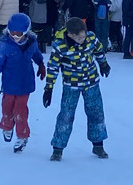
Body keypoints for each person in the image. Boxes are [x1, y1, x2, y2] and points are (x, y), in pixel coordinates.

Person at [43, 17, 111, 161]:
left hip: (91, 82)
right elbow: (53, 67)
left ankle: (98, 145)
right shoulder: (60, 46)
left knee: (96, 113)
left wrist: (103, 64)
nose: (83, 39)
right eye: (79, 37)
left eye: (84, 35)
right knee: (66, 116)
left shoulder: (91, 38)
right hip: (71, 86)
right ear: (70, 35)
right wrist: (48, 88)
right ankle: (58, 148)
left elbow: (98, 50)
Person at [0, 13, 46, 153]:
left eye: (18, 34)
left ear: (26, 32)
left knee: (20, 111)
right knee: (7, 107)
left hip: (25, 84)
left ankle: (22, 135)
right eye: (12, 33)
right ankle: (7, 126)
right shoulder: (4, 45)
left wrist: (41, 64)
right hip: (9, 84)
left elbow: (36, 53)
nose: (15, 36)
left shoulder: (32, 42)